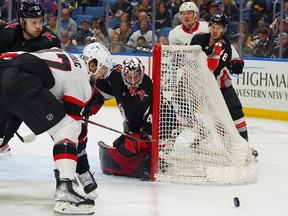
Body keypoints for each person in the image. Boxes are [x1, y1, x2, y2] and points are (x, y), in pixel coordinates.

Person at [0, 46, 112, 214]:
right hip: (20, 81)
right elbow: (71, 126)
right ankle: (65, 189)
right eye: (102, 70)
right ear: (92, 63)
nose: (102, 76)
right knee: (68, 127)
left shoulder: (60, 53)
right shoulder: (81, 79)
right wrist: (78, 165)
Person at [0, 0, 61, 158]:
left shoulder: (49, 41)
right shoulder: (6, 33)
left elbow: (55, 74)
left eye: (41, 21)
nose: (39, 26)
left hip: (26, 93)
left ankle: (4, 139)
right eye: (34, 22)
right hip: (4, 85)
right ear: (21, 21)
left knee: (9, 125)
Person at [190, 13, 248, 141]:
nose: (215, 30)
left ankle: (245, 144)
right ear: (209, 27)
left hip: (223, 87)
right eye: (213, 27)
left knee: (236, 111)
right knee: (187, 111)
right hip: (204, 88)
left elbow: (213, 68)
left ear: (224, 30)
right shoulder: (198, 39)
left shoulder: (226, 46)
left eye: (219, 28)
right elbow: (188, 59)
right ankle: (211, 139)